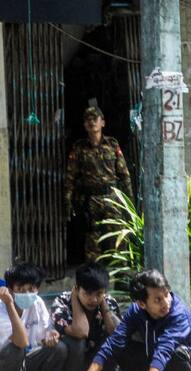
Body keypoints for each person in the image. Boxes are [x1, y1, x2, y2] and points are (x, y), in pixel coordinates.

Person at [64, 106, 132, 262]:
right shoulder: (79, 148)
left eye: (95, 119)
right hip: (90, 200)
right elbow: (70, 178)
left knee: (118, 238)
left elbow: (124, 175)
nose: (91, 122)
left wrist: (129, 202)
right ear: (84, 125)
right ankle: (94, 279)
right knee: (92, 242)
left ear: (103, 123)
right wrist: (68, 203)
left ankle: (120, 276)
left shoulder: (112, 145)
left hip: (112, 198)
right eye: (88, 119)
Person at [51, 263, 122, 371]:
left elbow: (117, 334)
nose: (93, 299)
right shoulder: (62, 302)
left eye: (99, 293)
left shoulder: (108, 302)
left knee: (114, 341)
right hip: (70, 365)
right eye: (88, 293)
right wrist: (75, 299)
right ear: (77, 288)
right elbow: (81, 331)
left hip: (95, 365)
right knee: (77, 341)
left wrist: (103, 306)